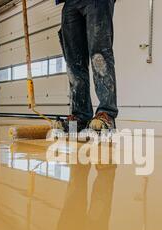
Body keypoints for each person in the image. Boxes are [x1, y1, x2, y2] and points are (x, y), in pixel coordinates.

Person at [55, 0, 117, 132]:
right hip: (69, 3)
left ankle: (106, 114)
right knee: (73, 62)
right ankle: (80, 117)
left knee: (99, 56)